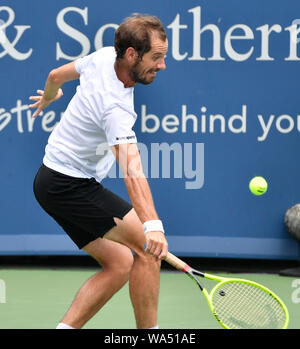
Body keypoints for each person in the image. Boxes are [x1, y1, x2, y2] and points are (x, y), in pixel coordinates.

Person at [29, 14, 169, 329]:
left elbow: (55, 75)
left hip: (48, 181)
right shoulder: (116, 109)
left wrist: (50, 96)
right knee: (148, 252)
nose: (162, 66)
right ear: (132, 54)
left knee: (119, 264)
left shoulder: (106, 56)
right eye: (156, 57)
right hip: (70, 186)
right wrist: (153, 226)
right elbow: (133, 171)